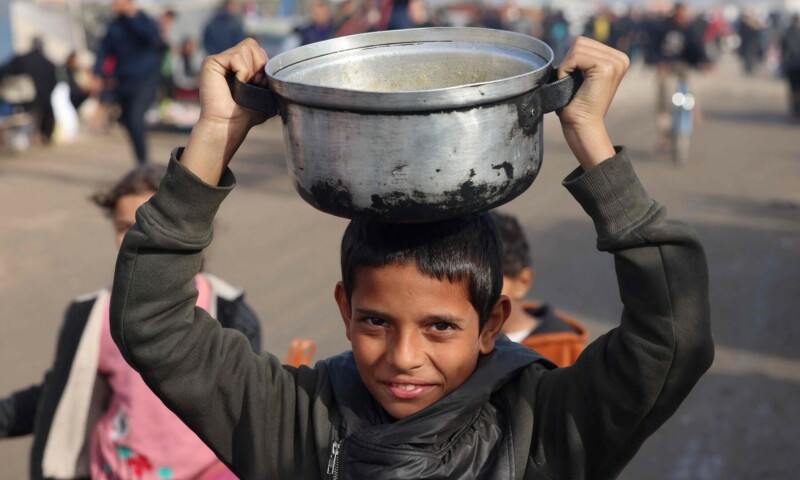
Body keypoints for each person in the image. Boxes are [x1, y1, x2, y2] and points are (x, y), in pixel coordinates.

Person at [109, 37, 713, 478]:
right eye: (375, 321)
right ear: (344, 308)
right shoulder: (296, 420)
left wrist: (590, 138)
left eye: (441, 326)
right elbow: (151, 320)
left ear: (492, 324)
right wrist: (216, 132)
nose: (404, 359)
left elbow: (673, 338)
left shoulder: (540, 427)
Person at [0, 165, 261, 480]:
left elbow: (255, 411)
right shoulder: (95, 315)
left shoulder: (228, 312)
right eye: (125, 225)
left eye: (155, 224)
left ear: (194, 228)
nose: (137, 237)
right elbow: (61, 393)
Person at [490, 210, 587, 367]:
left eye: (486, 281)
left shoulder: (567, 353)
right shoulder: (453, 344)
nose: (471, 293)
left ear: (522, 282)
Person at [91, 0, 161, 164]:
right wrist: (97, 74)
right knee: (128, 120)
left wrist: (132, 17)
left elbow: (152, 38)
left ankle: (143, 163)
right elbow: (104, 51)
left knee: (135, 118)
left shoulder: (144, 20)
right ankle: (141, 161)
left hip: (145, 80)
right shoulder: (114, 26)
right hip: (124, 81)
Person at [646, 3, 709, 152]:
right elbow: (651, 47)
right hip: (665, 66)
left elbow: (697, 47)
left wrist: (705, 62)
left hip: (683, 65)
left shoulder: (689, 29)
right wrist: (657, 61)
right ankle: (664, 135)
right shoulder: (661, 27)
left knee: (693, 87)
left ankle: (695, 112)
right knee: (664, 95)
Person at [0, 37, 57, 144]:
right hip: (44, 103)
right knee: (41, 119)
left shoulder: (22, 60)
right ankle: (38, 137)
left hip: (24, 102)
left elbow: (3, 70)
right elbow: (54, 83)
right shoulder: (49, 64)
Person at [781, 14, 800, 121]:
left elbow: (784, 50)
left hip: (791, 66)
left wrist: (785, 63)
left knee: (793, 89)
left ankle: (795, 110)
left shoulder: (787, 33)